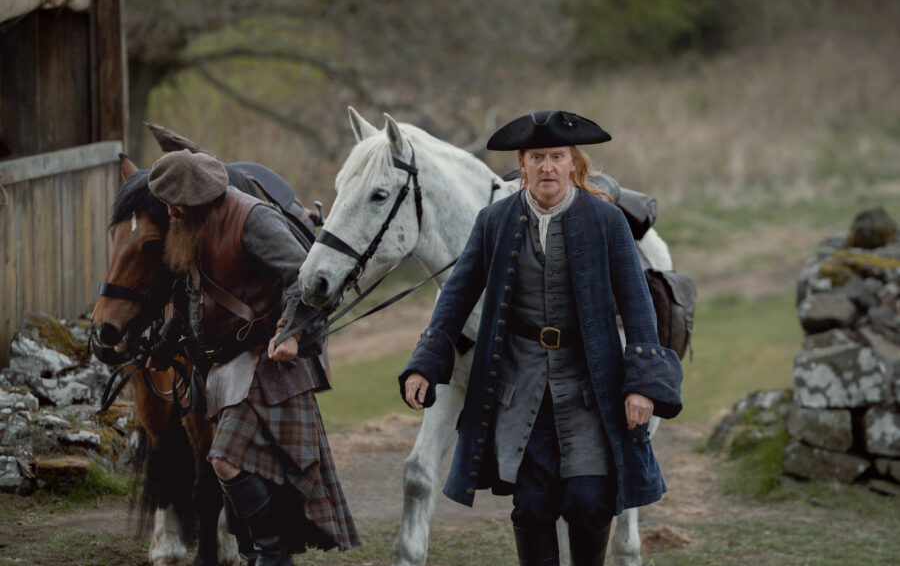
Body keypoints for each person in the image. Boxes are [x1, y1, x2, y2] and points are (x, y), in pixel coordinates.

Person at [399, 111, 683, 566]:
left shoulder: (607, 220)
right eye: (536, 157)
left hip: (591, 387)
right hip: (520, 387)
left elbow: (637, 304)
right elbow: (456, 296)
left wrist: (641, 385)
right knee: (532, 505)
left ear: (573, 163)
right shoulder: (493, 220)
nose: (547, 166)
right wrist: (424, 364)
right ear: (522, 165)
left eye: (556, 156)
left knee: (589, 502)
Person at [148, 149, 359, 566]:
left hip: (268, 363)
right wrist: (167, 343)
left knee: (225, 460)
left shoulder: (251, 218)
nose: (170, 210)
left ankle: (273, 556)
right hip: (226, 371)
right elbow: (193, 291)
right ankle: (259, 555)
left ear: (199, 196)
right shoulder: (193, 224)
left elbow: (306, 277)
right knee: (242, 471)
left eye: (175, 202)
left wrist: (293, 332)